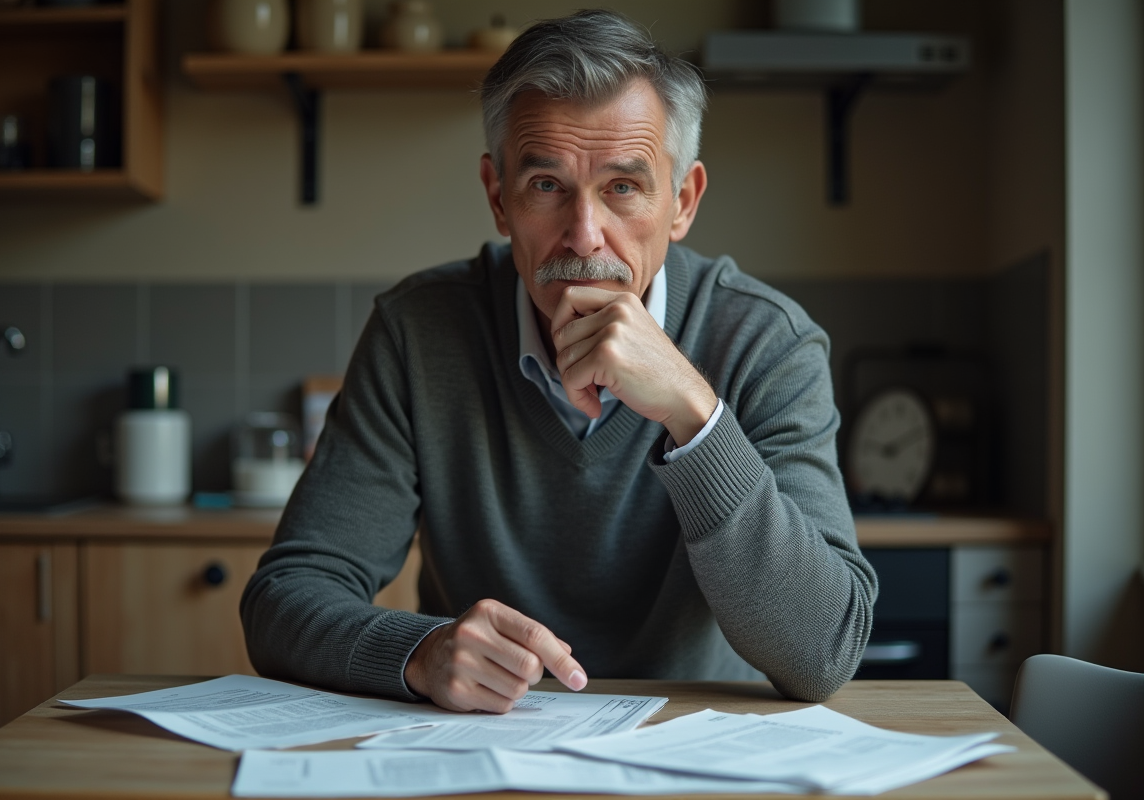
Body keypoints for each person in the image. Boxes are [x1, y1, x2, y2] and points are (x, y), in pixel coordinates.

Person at [241, 9, 877, 712]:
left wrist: (693, 415)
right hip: (475, 746)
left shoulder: (768, 342)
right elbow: (284, 600)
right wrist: (418, 653)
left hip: (692, 753)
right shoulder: (416, 332)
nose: (584, 235)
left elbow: (823, 652)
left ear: (682, 202)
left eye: (623, 187)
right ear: (498, 196)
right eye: (547, 185)